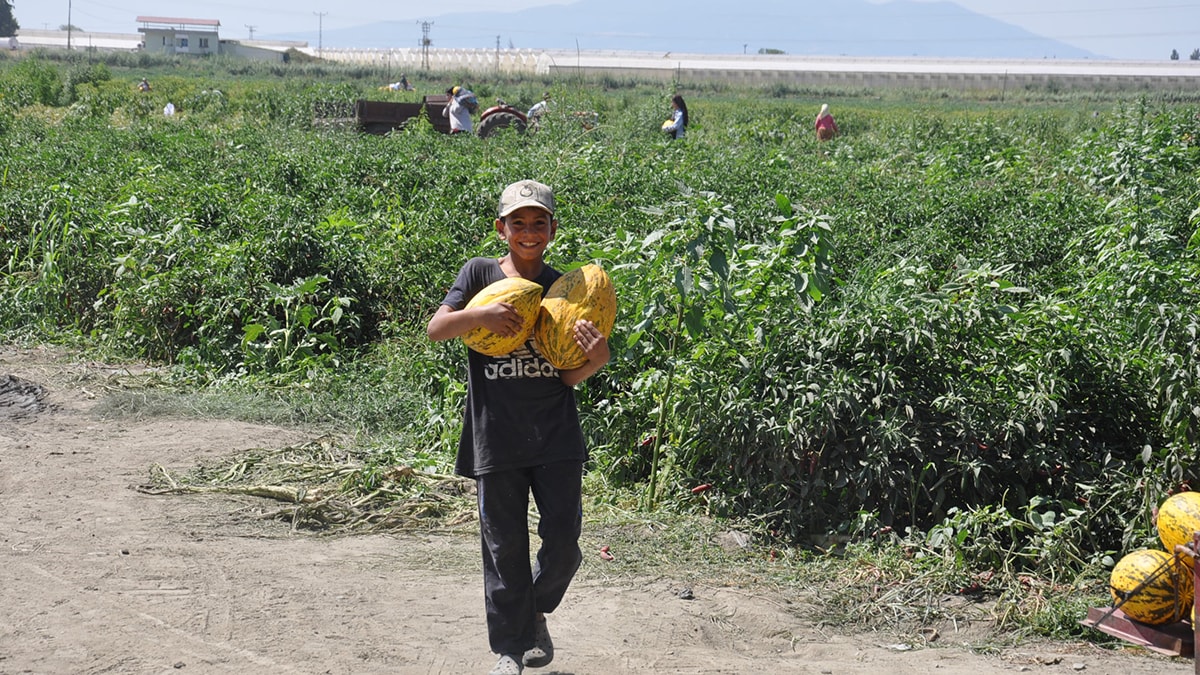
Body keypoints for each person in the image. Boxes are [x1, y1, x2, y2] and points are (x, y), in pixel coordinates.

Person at [426, 179, 610, 675]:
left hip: (555, 435)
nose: (528, 231)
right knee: (504, 548)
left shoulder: (564, 288)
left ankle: (533, 611)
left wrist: (597, 359)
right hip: (496, 435)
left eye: (539, 222)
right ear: (501, 228)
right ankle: (510, 650)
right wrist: (480, 312)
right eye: (518, 223)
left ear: (552, 229)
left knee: (564, 542)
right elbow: (436, 328)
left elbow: (568, 375)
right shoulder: (479, 273)